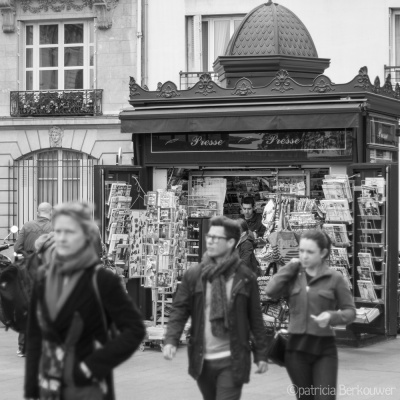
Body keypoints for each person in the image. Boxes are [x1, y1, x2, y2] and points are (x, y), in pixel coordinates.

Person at [24, 202, 146, 400]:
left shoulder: (103, 280)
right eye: (59, 231)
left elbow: (135, 330)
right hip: (49, 387)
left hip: (88, 389)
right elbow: (35, 336)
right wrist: (31, 390)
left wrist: (92, 367)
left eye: (70, 232)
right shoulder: (43, 279)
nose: (62, 238)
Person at [163, 216, 268, 400]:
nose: (210, 241)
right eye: (209, 236)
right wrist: (171, 339)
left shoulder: (244, 277)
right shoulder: (195, 275)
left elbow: (255, 318)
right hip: (203, 360)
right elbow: (179, 309)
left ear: (230, 243)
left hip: (233, 359)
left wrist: (260, 354)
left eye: (216, 238)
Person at [265, 230, 356, 400]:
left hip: (324, 348)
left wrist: (331, 316)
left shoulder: (334, 278)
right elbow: (270, 291)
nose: (304, 256)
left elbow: (350, 312)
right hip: (296, 349)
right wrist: (290, 266)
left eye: (310, 252)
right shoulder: (293, 275)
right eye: (301, 251)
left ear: (323, 253)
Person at [14, 202, 53, 358]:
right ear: (50, 212)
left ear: (38, 212)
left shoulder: (27, 225)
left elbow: (17, 248)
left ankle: (23, 346)